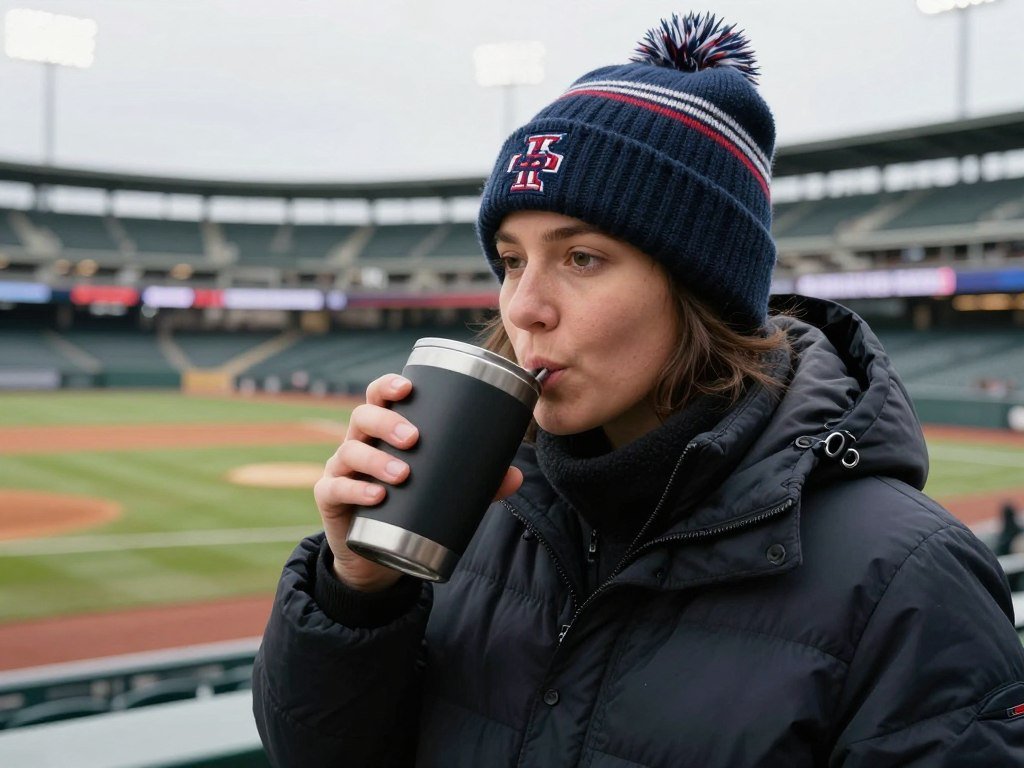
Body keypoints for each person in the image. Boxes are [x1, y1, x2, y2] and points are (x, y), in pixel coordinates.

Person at [253, 12, 1024, 766]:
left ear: (699, 289)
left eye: (581, 257)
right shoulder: (477, 516)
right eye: (512, 259)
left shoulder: (912, 582)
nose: (522, 307)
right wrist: (357, 594)